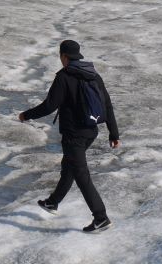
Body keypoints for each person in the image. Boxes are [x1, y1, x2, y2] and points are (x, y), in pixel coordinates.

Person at [18, 39, 120, 233]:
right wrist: (113, 133)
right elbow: (107, 105)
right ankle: (52, 202)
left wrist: (26, 115)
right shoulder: (93, 75)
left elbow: (49, 105)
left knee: (81, 174)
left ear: (63, 56)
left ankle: (101, 218)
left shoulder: (64, 76)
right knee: (70, 166)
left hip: (74, 135)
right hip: (91, 132)